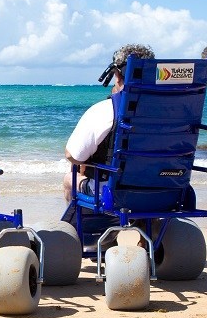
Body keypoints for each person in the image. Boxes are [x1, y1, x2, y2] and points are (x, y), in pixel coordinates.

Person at [63, 43, 155, 202]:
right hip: (161, 189)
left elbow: (72, 155)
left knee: (69, 178)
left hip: (112, 193)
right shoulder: (171, 110)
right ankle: (149, 224)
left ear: (117, 75)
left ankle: (78, 226)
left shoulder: (106, 109)